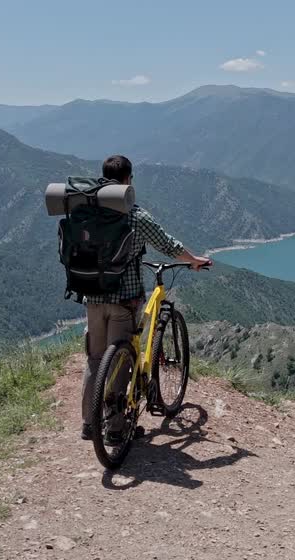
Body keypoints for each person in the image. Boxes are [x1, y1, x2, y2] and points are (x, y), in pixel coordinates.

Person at [80, 154, 210, 441]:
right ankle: (115, 431)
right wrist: (193, 260)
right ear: (129, 180)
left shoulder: (87, 210)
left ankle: (89, 425)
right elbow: (166, 243)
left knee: (95, 360)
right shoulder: (136, 216)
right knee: (120, 362)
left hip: (91, 297)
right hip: (123, 301)